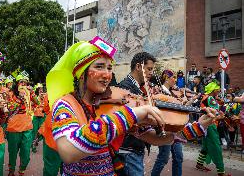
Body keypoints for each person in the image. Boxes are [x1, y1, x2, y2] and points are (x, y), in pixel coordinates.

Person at [46, 37, 221, 176]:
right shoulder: (65, 104)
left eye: (109, 68)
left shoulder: (114, 106)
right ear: (81, 72)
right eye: (99, 67)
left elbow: (158, 137)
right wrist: (132, 114)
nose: (107, 75)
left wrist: (200, 125)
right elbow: (68, 151)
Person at [118, 52, 157, 175]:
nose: (151, 73)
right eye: (149, 69)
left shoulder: (140, 89)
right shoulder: (125, 88)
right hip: (129, 149)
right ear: (138, 67)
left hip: (134, 148)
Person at [151, 70, 184, 176]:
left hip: (175, 128)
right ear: (166, 78)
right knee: (163, 158)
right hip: (165, 128)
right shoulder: (159, 92)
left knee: (178, 157)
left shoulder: (173, 93)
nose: (175, 80)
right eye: (173, 77)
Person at [6, 74, 39, 176]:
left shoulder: (29, 93)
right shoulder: (10, 93)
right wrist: (20, 98)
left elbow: (37, 102)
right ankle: (11, 171)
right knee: (13, 153)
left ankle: (22, 171)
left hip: (27, 127)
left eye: (25, 82)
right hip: (13, 128)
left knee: (25, 153)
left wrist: (32, 93)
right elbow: (10, 108)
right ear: (17, 84)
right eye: (21, 82)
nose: (23, 84)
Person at [195, 82, 230, 176]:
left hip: (205, 124)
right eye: (217, 89)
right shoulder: (210, 98)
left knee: (206, 145)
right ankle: (221, 172)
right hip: (210, 124)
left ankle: (199, 164)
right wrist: (222, 114)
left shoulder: (206, 97)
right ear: (213, 90)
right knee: (216, 147)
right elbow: (216, 113)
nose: (218, 91)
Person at [31, 83, 47, 153]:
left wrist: (43, 98)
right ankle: (33, 145)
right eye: (39, 89)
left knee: (41, 132)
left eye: (41, 89)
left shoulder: (45, 96)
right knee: (34, 131)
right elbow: (31, 104)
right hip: (35, 116)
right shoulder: (35, 97)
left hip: (42, 117)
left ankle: (36, 140)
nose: (40, 90)